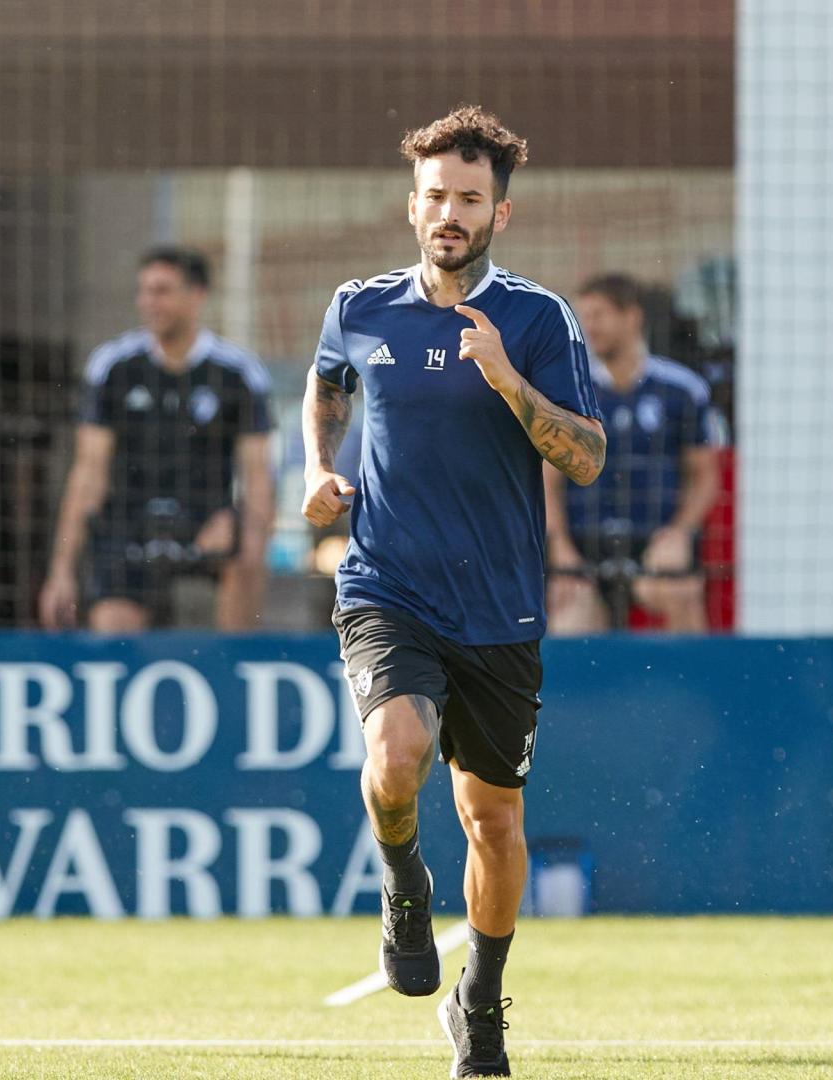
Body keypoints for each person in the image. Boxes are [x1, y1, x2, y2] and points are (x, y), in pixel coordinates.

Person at [302, 105, 604, 1077]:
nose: (449, 212)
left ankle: (479, 1002)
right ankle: (401, 887)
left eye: (469, 198)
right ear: (412, 205)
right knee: (396, 753)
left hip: (501, 605)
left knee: (495, 821)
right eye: (435, 195)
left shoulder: (536, 318)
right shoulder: (361, 305)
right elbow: (326, 382)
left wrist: (508, 381)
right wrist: (318, 464)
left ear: (498, 215)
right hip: (387, 582)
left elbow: (590, 459)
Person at [38, 247, 273, 633]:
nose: (148, 303)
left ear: (197, 295)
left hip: (205, 525)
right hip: (129, 527)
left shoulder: (237, 372)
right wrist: (61, 572)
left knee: (243, 557)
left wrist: (246, 539)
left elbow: (259, 478)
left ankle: (233, 665)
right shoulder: (113, 366)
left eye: (162, 291)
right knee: (115, 641)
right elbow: (88, 474)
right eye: (143, 291)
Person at [545, 273, 722, 633]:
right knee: (568, 626)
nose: (589, 327)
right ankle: (589, 692)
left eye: (599, 315)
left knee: (679, 590)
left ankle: (696, 688)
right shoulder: (569, 391)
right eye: (584, 317)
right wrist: (561, 549)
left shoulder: (681, 389)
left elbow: (703, 474)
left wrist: (680, 532)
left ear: (632, 317)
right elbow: (547, 481)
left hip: (652, 541)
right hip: (587, 544)